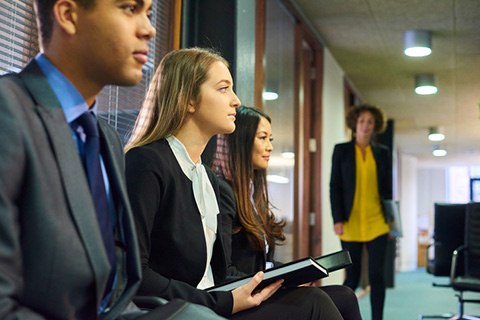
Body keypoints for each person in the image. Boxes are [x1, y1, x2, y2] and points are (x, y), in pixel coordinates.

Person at [0, 0, 222, 318]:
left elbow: (113, 292)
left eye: (149, 12)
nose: (148, 29)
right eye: (129, 8)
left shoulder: (106, 138)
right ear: (68, 15)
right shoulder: (8, 111)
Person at [124, 47, 343, 319]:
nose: (237, 101)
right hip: (182, 309)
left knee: (340, 297)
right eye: (224, 89)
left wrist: (277, 279)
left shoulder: (207, 178)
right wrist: (220, 302)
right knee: (313, 303)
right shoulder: (147, 162)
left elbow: (220, 271)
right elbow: (134, 274)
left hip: (212, 301)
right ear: (188, 100)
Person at [212, 106, 362, 320]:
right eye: (262, 138)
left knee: (345, 296)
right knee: (315, 300)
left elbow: (263, 265)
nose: (270, 147)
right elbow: (224, 272)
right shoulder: (225, 192)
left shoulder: (252, 194)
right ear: (242, 142)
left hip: (260, 289)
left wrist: (296, 274)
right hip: (241, 298)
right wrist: (278, 283)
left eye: (270, 139)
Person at [329, 104, 392, 320]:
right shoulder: (342, 150)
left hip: (378, 223)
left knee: (377, 276)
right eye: (362, 120)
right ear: (355, 123)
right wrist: (337, 219)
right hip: (350, 223)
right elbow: (334, 187)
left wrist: (392, 223)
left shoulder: (382, 153)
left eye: (370, 122)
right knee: (352, 278)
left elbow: (388, 190)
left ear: (376, 126)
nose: (366, 125)